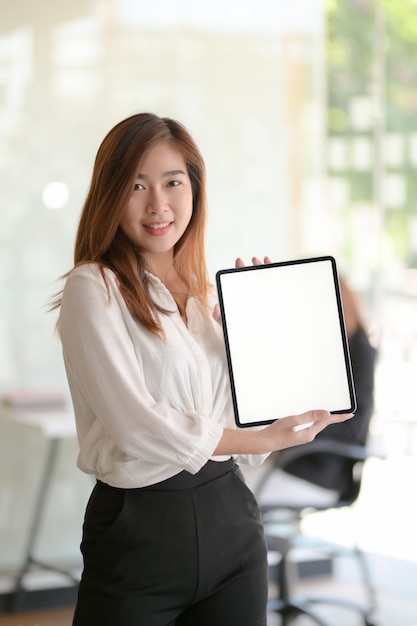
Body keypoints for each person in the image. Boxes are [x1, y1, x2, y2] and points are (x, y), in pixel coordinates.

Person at [54, 112, 352, 626]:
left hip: (230, 523)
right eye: (136, 185)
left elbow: (243, 411)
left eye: (173, 182)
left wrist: (257, 330)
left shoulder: (206, 298)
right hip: (139, 531)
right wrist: (260, 443)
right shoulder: (94, 287)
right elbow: (137, 424)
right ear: (110, 195)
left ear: (195, 189)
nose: (158, 204)